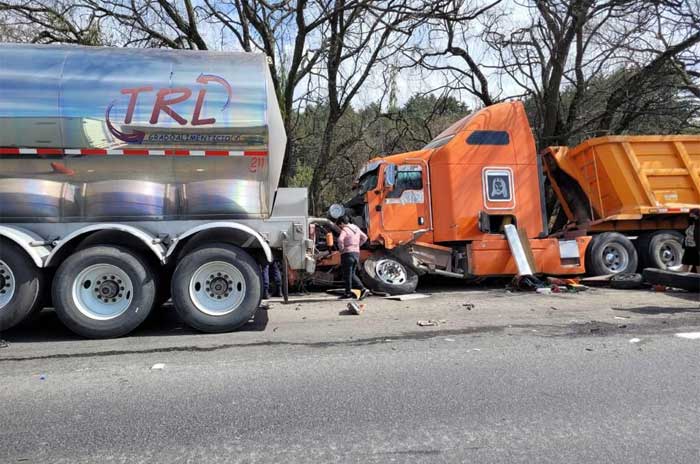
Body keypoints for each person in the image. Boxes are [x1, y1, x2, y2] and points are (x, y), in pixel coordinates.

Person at [336, 216, 369, 299]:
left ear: (342, 223)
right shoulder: (356, 228)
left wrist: (341, 248)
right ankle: (362, 289)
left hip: (347, 254)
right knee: (352, 274)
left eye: (340, 225)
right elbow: (365, 237)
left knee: (347, 274)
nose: (340, 227)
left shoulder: (345, 229)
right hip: (356, 253)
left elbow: (340, 240)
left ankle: (348, 293)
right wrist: (358, 245)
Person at [681, 208, 700, 273]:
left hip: (696, 248)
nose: (690, 216)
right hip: (688, 248)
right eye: (690, 214)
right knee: (685, 264)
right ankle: (683, 280)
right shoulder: (691, 224)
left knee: (698, 265)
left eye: (693, 214)